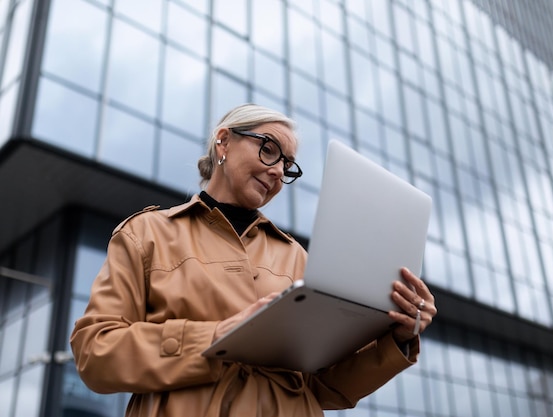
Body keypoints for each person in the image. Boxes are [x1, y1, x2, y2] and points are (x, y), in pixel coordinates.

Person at [70, 103, 437, 417]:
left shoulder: (298, 257)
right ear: (224, 141)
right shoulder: (147, 233)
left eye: (288, 166)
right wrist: (216, 337)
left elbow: (325, 387)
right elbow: (95, 352)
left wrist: (397, 340)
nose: (278, 171)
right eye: (269, 150)